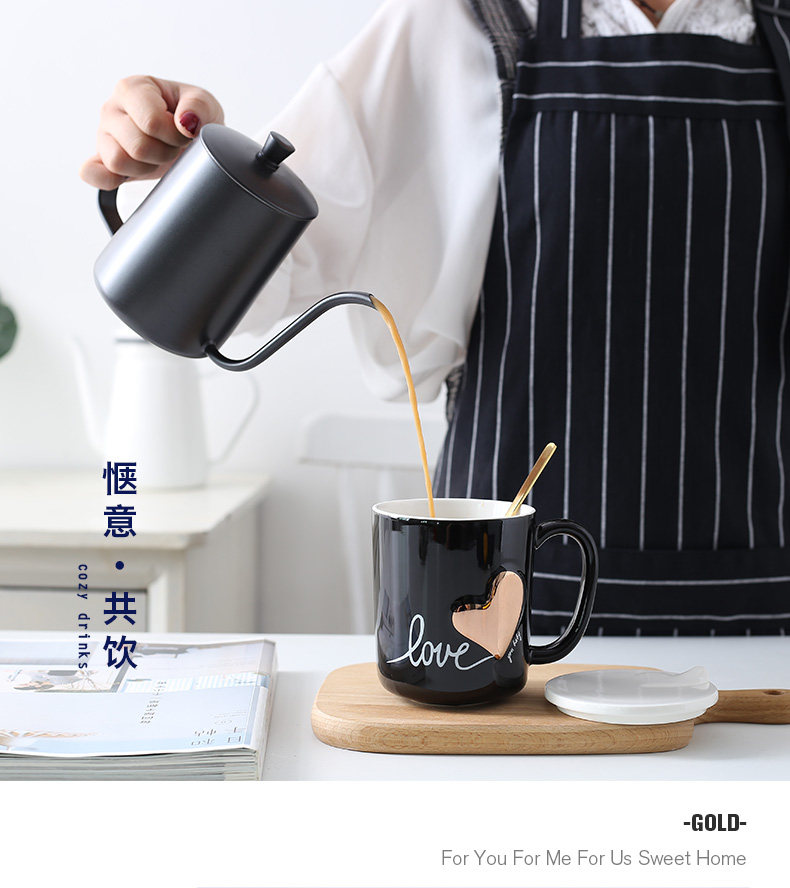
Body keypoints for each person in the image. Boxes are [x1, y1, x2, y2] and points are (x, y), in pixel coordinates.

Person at [80, 0, 790, 637]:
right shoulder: (450, 24)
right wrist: (183, 171)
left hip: (770, 621)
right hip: (501, 619)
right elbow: (242, 291)